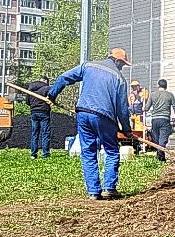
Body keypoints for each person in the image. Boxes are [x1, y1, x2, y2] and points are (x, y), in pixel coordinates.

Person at [49, 48, 132, 199]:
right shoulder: (119, 79)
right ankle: (109, 188)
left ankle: (94, 192)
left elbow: (63, 78)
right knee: (112, 152)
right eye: (123, 64)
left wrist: (52, 95)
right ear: (118, 61)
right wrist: (126, 129)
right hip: (105, 118)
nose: (122, 67)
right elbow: (122, 109)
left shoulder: (88, 66)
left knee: (88, 152)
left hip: (84, 113)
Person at [24, 77, 53, 158]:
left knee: (34, 134)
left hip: (34, 112)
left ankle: (33, 154)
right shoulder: (47, 88)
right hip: (44, 112)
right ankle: (45, 154)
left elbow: (27, 102)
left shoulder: (30, 88)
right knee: (45, 133)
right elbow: (52, 99)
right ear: (46, 81)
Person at [145, 78, 175, 149]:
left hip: (155, 119)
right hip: (165, 119)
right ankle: (161, 158)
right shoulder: (170, 95)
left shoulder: (152, 95)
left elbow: (146, 108)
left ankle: (160, 157)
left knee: (156, 140)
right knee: (162, 140)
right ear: (166, 86)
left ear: (158, 86)